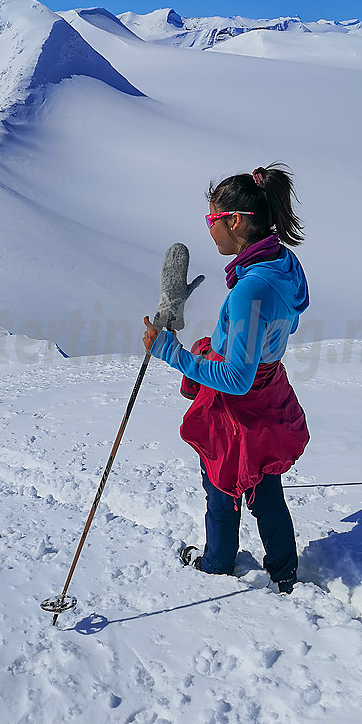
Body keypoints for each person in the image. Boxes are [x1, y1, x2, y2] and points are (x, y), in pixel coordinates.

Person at [143, 164, 310, 593]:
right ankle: (285, 571)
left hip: (239, 404)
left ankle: (217, 564)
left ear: (235, 220)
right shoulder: (283, 264)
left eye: (212, 220)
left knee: (221, 482)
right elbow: (286, 323)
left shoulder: (249, 291)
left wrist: (169, 352)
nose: (210, 231)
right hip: (270, 388)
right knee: (265, 483)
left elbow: (235, 377)